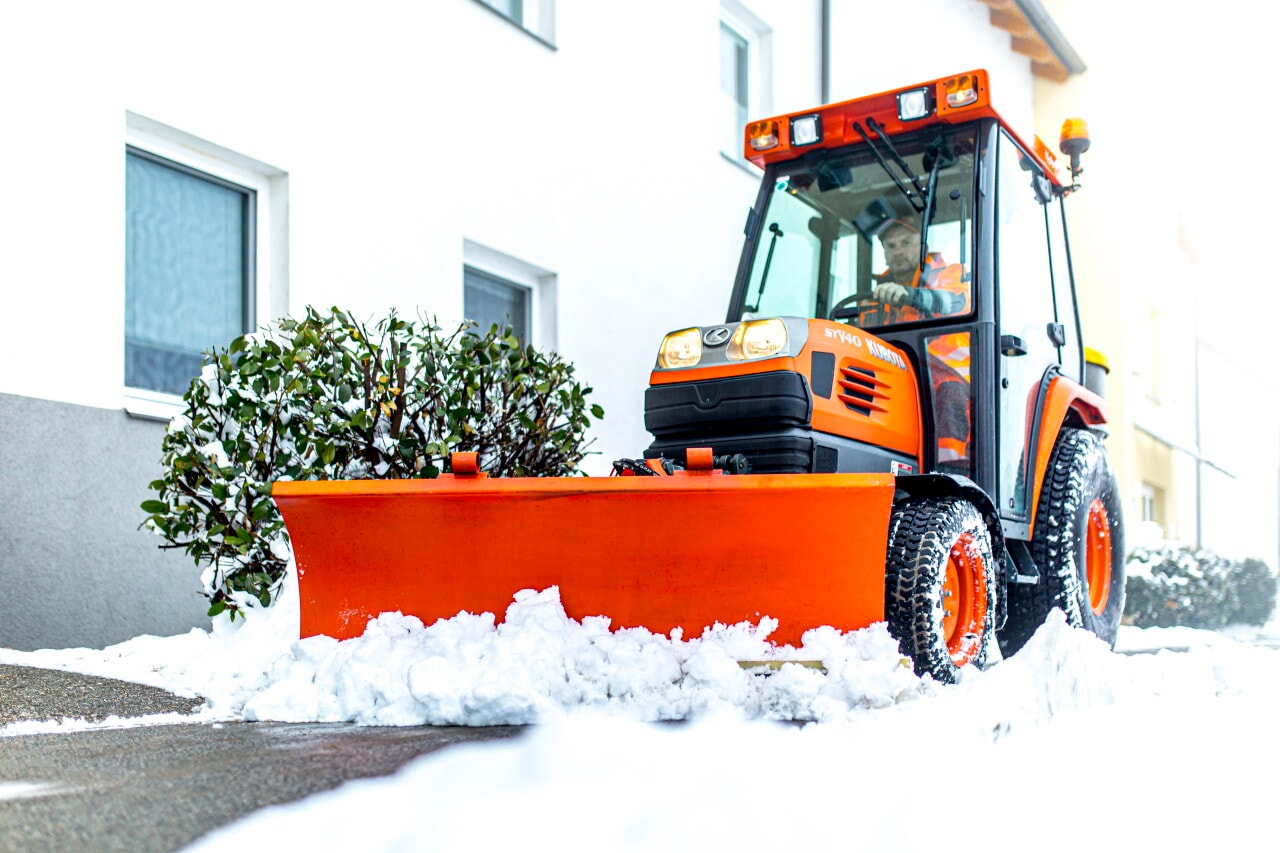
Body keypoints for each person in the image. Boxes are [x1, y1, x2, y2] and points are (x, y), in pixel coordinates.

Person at [860, 219, 968, 326]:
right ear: (884, 254)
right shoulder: (874, 299)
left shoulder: (951, 274)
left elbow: (957, 303)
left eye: (906, 243)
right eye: (891, 246)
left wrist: (911, 295)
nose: (898, 252)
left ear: (924, 248)